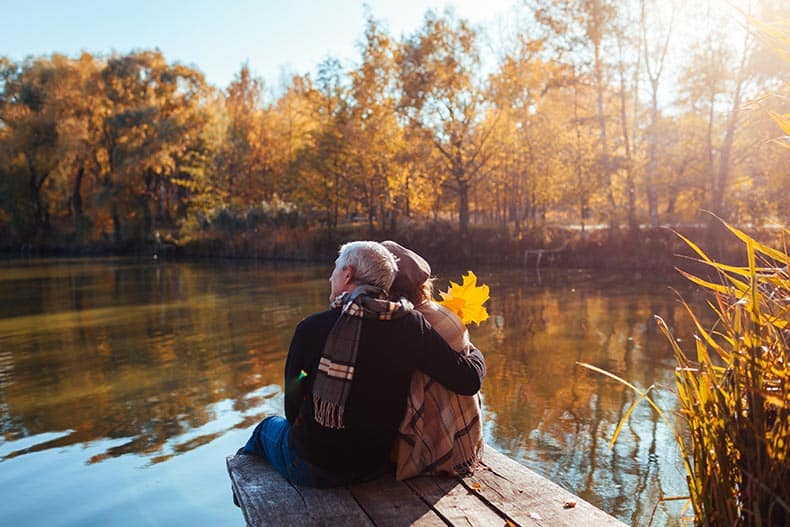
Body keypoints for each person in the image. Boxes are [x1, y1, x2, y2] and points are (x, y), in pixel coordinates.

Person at [239, 241, 486, 487]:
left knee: (265, 429)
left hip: (313, 467)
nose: (330, 277)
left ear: (347, 275)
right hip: (374, 464)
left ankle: (243, 491)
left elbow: (293, 401)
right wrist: (474, 352)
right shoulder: (411, 325)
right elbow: (468, 380)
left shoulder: (312, 329)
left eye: (334, 269)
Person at [381, 241, 484, 480]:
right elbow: (468, 376)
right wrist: (476, 352)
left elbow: (467, 379)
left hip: (427, 449)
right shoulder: (440, 314)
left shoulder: (405, 324)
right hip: (462, 443)